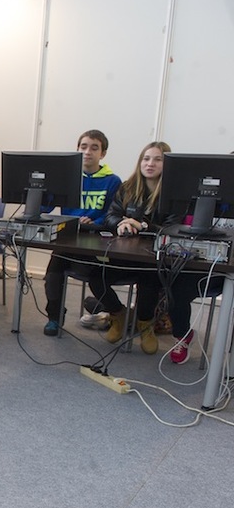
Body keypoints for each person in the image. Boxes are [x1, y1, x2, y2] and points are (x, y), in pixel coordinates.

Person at [87, 142, 171, 354]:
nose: (150, 163)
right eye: (146, 158)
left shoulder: (172, 193)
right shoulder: (127, 187)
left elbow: (174, 227)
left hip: (153, 259)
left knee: (149, 284)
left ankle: (145, 324)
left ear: (167, 163)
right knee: (96, 277)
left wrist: (143, 225)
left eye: (157, 159)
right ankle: (118, 314)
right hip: (123, 253)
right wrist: (121, 223)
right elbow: (111, 215)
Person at [41, 129, 121, 336]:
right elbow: (46, 208)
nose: (88, 152)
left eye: (94, 148)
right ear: (77, 149)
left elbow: (113, 214)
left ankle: (113, 310)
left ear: (102, 153)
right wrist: (40, 189)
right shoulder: (68, 177)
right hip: (68, 238)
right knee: (53, 273)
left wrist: (94, 221)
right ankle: (54, 317)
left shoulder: (112, 181)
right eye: (83, 147)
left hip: (95, 240)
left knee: (91, 274)